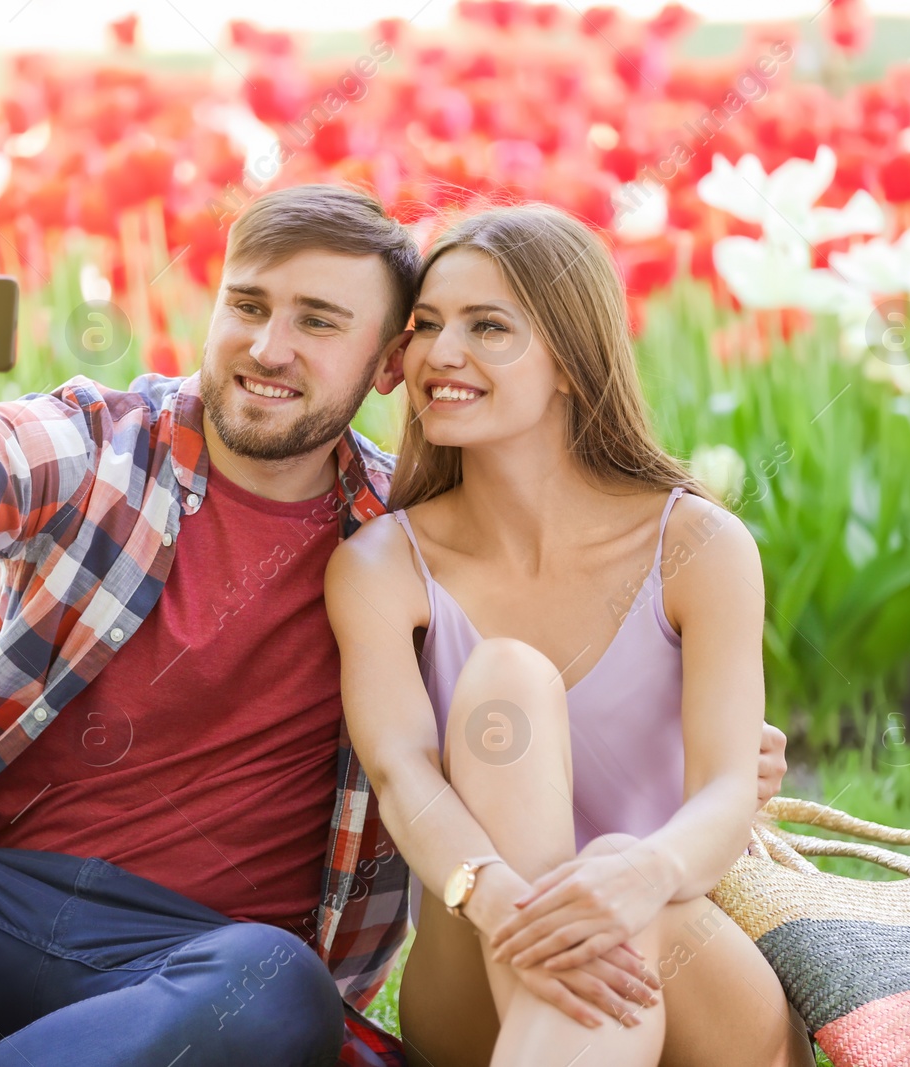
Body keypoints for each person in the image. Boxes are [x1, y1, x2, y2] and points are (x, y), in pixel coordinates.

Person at [0, 185, 790, 1067]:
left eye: (318, 321)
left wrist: (717, 764)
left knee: (271, 976)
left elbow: (522, 700)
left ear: (387, 363)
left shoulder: (401, 538)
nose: (268, 347)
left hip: (196, 965)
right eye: (248, 304)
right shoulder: (103, 445)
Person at [325, 203, 817, 1067]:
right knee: (504, 674)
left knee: (630, 890)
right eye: (428, 325)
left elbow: (727, 793)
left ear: (569, 360)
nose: (442, 354)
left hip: (681, 948)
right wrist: (506, 901)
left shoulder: (696, 545)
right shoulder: (380, 567)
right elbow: (405, 779)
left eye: (488, 326)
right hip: (479, 958)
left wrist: (643, 873)